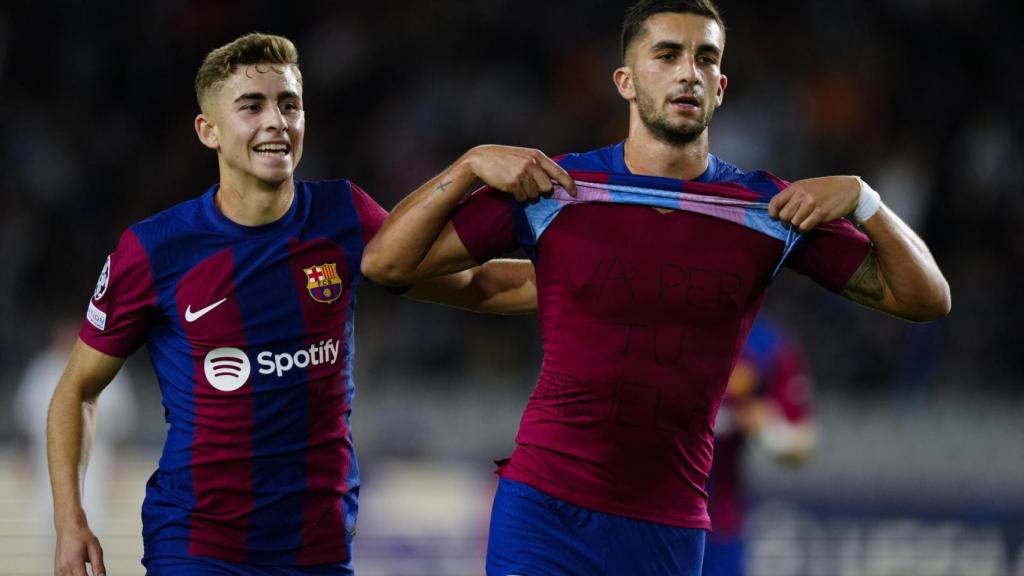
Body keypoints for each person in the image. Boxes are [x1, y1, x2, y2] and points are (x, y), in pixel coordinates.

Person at [359, 0, 951, 573]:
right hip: (545, 508)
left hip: (669, 530)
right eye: (666, 55)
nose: (688, 72)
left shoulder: (768, 211)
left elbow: (925, 298)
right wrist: (469, 165)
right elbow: (386, 262)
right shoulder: (557, 188)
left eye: (705, 58)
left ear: (721, 86)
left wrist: (866, 200)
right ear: (625, 80)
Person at [47, 33, 539, 576]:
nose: (277, 121)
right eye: (251, 106)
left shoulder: (343, 215)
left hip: (318, 546)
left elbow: (476, 285)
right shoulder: (155, 249)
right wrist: (71, 520)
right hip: (199, 542)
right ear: (208, 130)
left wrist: (599, 280)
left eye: (289, 104)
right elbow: (77, 390)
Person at [704, 315, 817, 576]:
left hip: (719, 526)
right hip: (639, 513)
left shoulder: (766, 345)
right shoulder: (656, 322)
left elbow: (801, 440)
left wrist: (766, 428)